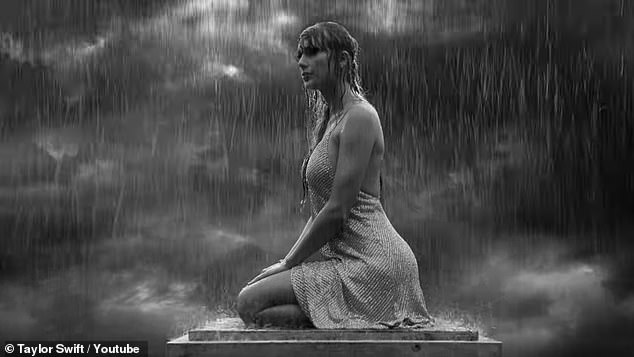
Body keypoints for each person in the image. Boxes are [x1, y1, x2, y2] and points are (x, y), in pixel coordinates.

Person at [236, 21, 433, 329]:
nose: (301, 62)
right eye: (300, 53)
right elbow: (318, 213)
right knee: (251, 303)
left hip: (375, 264)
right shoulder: (332, 118)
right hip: (349, 263)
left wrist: (290, 264)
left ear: (341, 59)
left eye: (313, 52)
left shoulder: (360, 117)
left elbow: (338, 209)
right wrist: (285, 262)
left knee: (250, 304)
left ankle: (359, 318)